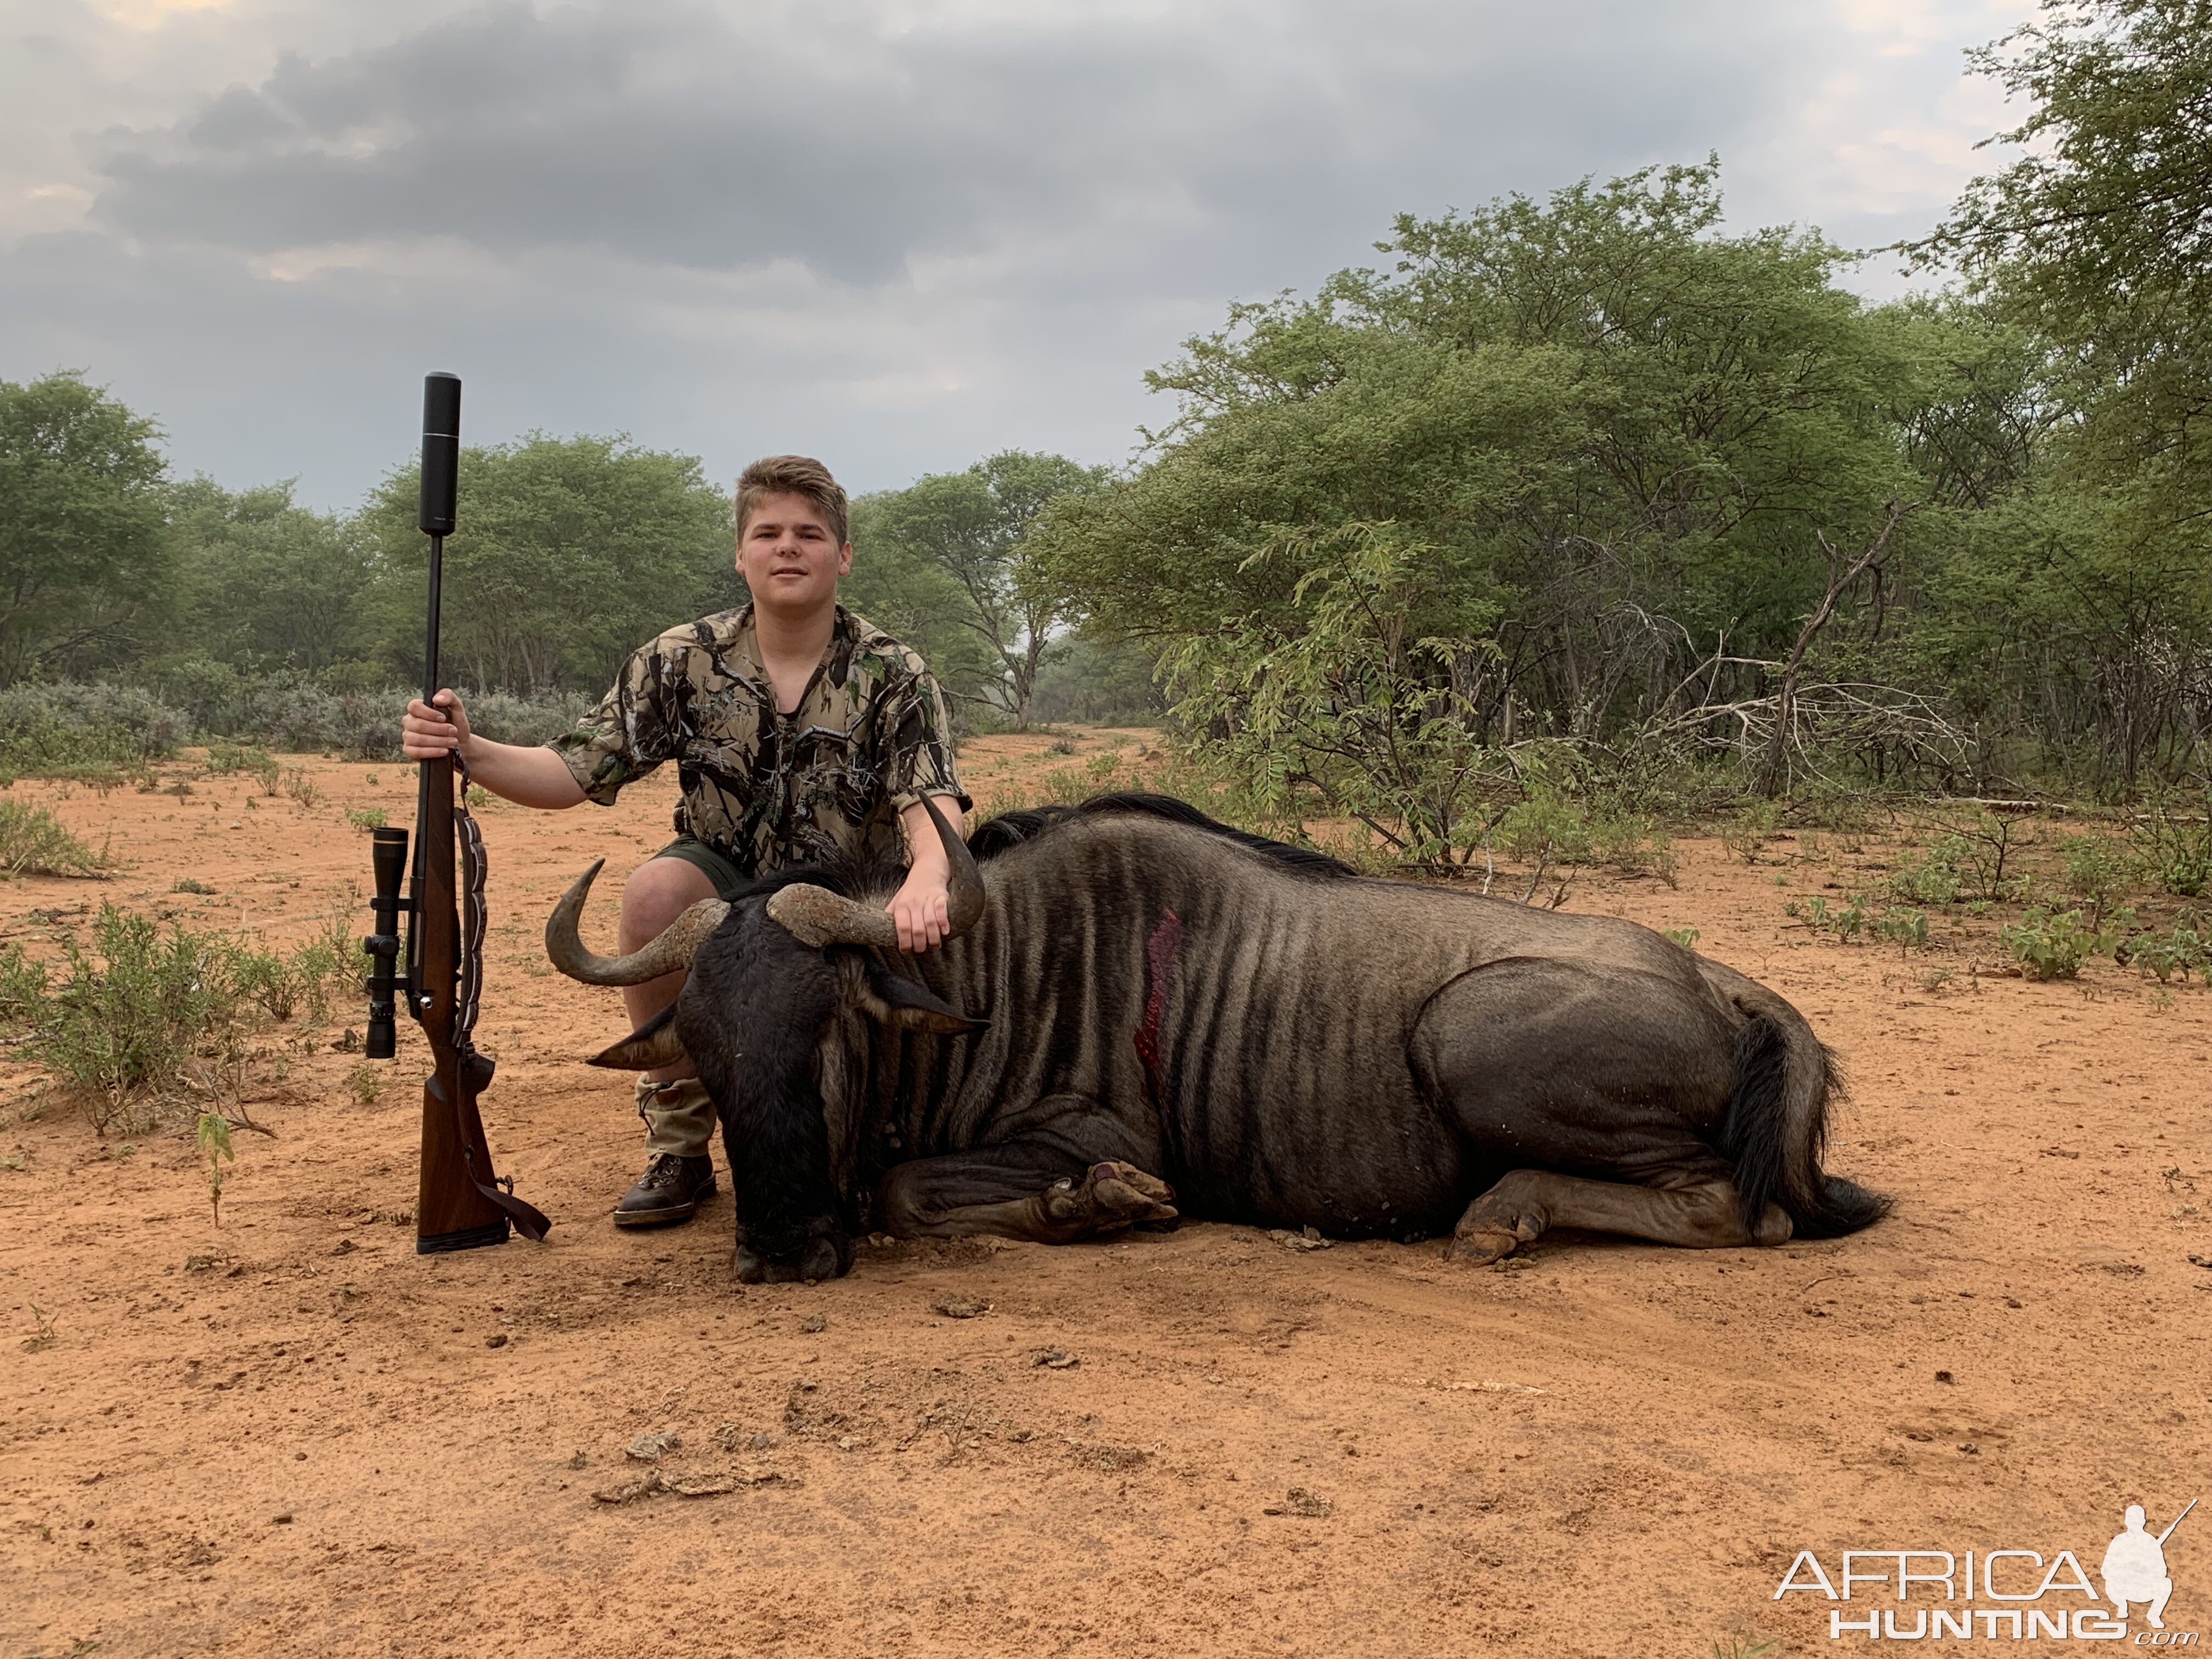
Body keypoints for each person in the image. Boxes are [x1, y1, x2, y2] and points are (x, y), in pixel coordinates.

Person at [400, 454, 969, 1227]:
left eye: (809, 533)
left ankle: (886, 1118)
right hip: (724, 884)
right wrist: (468, 748)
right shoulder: (680, 657)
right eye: (767, 533)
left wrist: (928, 878)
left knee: (932, 928)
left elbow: (931, 807)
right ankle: (680, 1144)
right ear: (741, 554)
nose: (788, 548)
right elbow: (571, 772)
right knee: (655, 894)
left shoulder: (895, 671)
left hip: (845, 894)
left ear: (844, 554)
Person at [2101, 1504, 2175, 1628]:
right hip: (2122, 1588)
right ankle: (2122, 1605)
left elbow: (2162, 1571)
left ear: (2143, 1522)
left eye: (2138, 1520)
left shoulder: (2151, 1542)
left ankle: (2154, 1615)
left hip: (2143, 1588)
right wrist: (2124, 1569)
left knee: (2166, 1583)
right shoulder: (2119, 1541)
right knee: (2110, 1582)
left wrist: (2145, 1569)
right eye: (2131, 1519)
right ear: (2126, 1522)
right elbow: (2106, 1569)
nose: (2134, 1523)